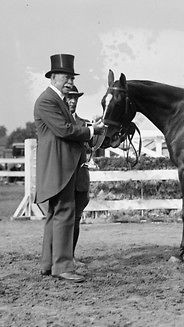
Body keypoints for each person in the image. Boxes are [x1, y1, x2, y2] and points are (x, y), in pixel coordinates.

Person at [34, 54, 105, 282]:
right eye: (66, 77)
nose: (69, 82)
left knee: (55, 215)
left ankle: (48, 264)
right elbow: (65, 130)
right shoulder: (48, 101)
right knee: (64, 214)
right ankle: (63, 266)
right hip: (59, 169)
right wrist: (92, 131)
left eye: (71, 77)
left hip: (61, 168)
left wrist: (92, 128)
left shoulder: (57, 101)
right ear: (53, 77)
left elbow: (69, 129)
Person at [65, 85, 91, 264]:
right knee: (62, 219)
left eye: (75, 98)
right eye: (69, 97)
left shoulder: (85, 123)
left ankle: (71, 256)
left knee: (76, 219)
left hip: (81, 179)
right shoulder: (59, 123)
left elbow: (96, 144)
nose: (73, 101)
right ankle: (60, 257)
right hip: (64, 178)